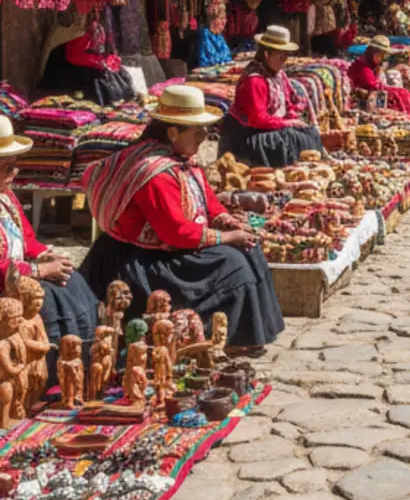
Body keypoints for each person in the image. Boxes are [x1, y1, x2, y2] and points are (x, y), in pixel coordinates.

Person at [80, 85, 285, 350]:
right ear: (173, 132)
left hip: (170, 246)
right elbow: (174, 231)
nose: (204, 134)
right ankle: (225, 338)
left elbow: (208, 200)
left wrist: (226, 221)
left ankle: (253, 334)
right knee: (232, 263)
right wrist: (227, 237)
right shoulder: (154, 173)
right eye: (196, 128)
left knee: (248, 248)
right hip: (141, 260)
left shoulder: (181, 161)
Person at [0, 116, 97, 384]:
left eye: (14, 164)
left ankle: (86, 359)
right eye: (7, 165)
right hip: (5, 285)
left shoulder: (5, 197)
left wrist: (46, 255)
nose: (15, 171)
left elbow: (27, 238)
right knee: (51, 299)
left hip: (18, 275)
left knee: (72, 279)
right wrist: (39, 270)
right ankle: (55, 375)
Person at [220, 26, 324, 168]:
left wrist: (293, 117)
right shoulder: (254, 80)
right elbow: (258, 119)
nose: (285, 60)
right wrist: (287, 123)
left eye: (286, 55)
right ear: (267, 54)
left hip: (269, 126)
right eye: (281, 55)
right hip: (248, 135)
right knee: (292, 140)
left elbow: (289, 101)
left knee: (310, 133)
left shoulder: (278, 74)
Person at [349, 35, 410, 116]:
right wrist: (379, 71)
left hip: (372, 91)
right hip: (363, 96)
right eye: (381, 55)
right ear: (373, 53)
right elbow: (373, 86)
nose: (383, 58)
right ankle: (380, 113)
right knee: (394, 94)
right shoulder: (362, 66)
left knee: (402, 92)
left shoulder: (371, 64)